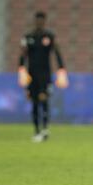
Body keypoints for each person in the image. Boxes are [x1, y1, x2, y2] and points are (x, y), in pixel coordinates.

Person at [18, 11, 69, 142]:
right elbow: (23, 55)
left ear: (44, 21)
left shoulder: (50, 36)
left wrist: (61, 69)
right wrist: (21, 69)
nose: (39, 23)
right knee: (34, 102)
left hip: (45, 75)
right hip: (31, 74)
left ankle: (45, 129)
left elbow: (57, 53)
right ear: (35, 21)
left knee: (44, 100)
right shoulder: (28, 36)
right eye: (37, 20)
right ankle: (36, 131)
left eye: (41, 20)